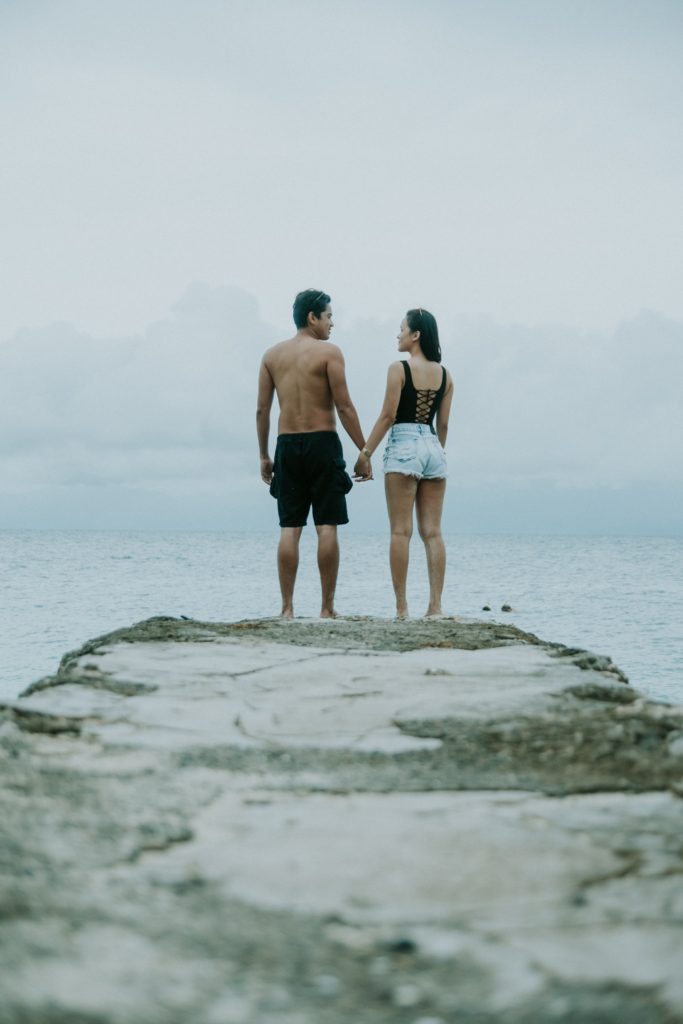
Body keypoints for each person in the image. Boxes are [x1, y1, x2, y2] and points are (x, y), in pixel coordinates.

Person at [256, 289, 368, 618]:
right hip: (322, 443)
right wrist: (364, 449)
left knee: (290, 528)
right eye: (329, 316)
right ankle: (327, 608)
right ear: (312, 317)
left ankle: (287, 609)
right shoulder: (329, 353)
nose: (332, 323)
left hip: (287, 445)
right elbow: (344, 406)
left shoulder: (271, 355)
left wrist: (264, 454)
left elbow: (262, 410)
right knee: (327, 526)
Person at [354, 308, 453, 618]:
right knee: (433, 532)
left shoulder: (399, 369)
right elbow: (445, 425)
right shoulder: (446, 375)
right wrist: (433, 453)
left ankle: (401, 609)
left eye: (401, 329)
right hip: (434, 445)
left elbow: (388, 416)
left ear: (416, 335)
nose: (397, 335)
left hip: (404, 443)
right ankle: (435, 607)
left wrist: (365, 453)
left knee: (400, 532)